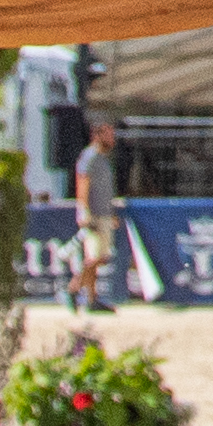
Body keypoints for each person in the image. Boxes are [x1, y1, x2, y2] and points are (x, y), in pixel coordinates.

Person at [69, 113, 122, 307]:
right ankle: (74, 288)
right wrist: (84, 211)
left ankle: (92, 299)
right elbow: (83, 183)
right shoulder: (89, 156)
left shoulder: (104, 159)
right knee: (96, 256)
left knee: (100, 256)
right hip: (94, 215)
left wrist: (112, 213)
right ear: (98, 135)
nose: (112, 138)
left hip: (104, 214)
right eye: (108, 134)